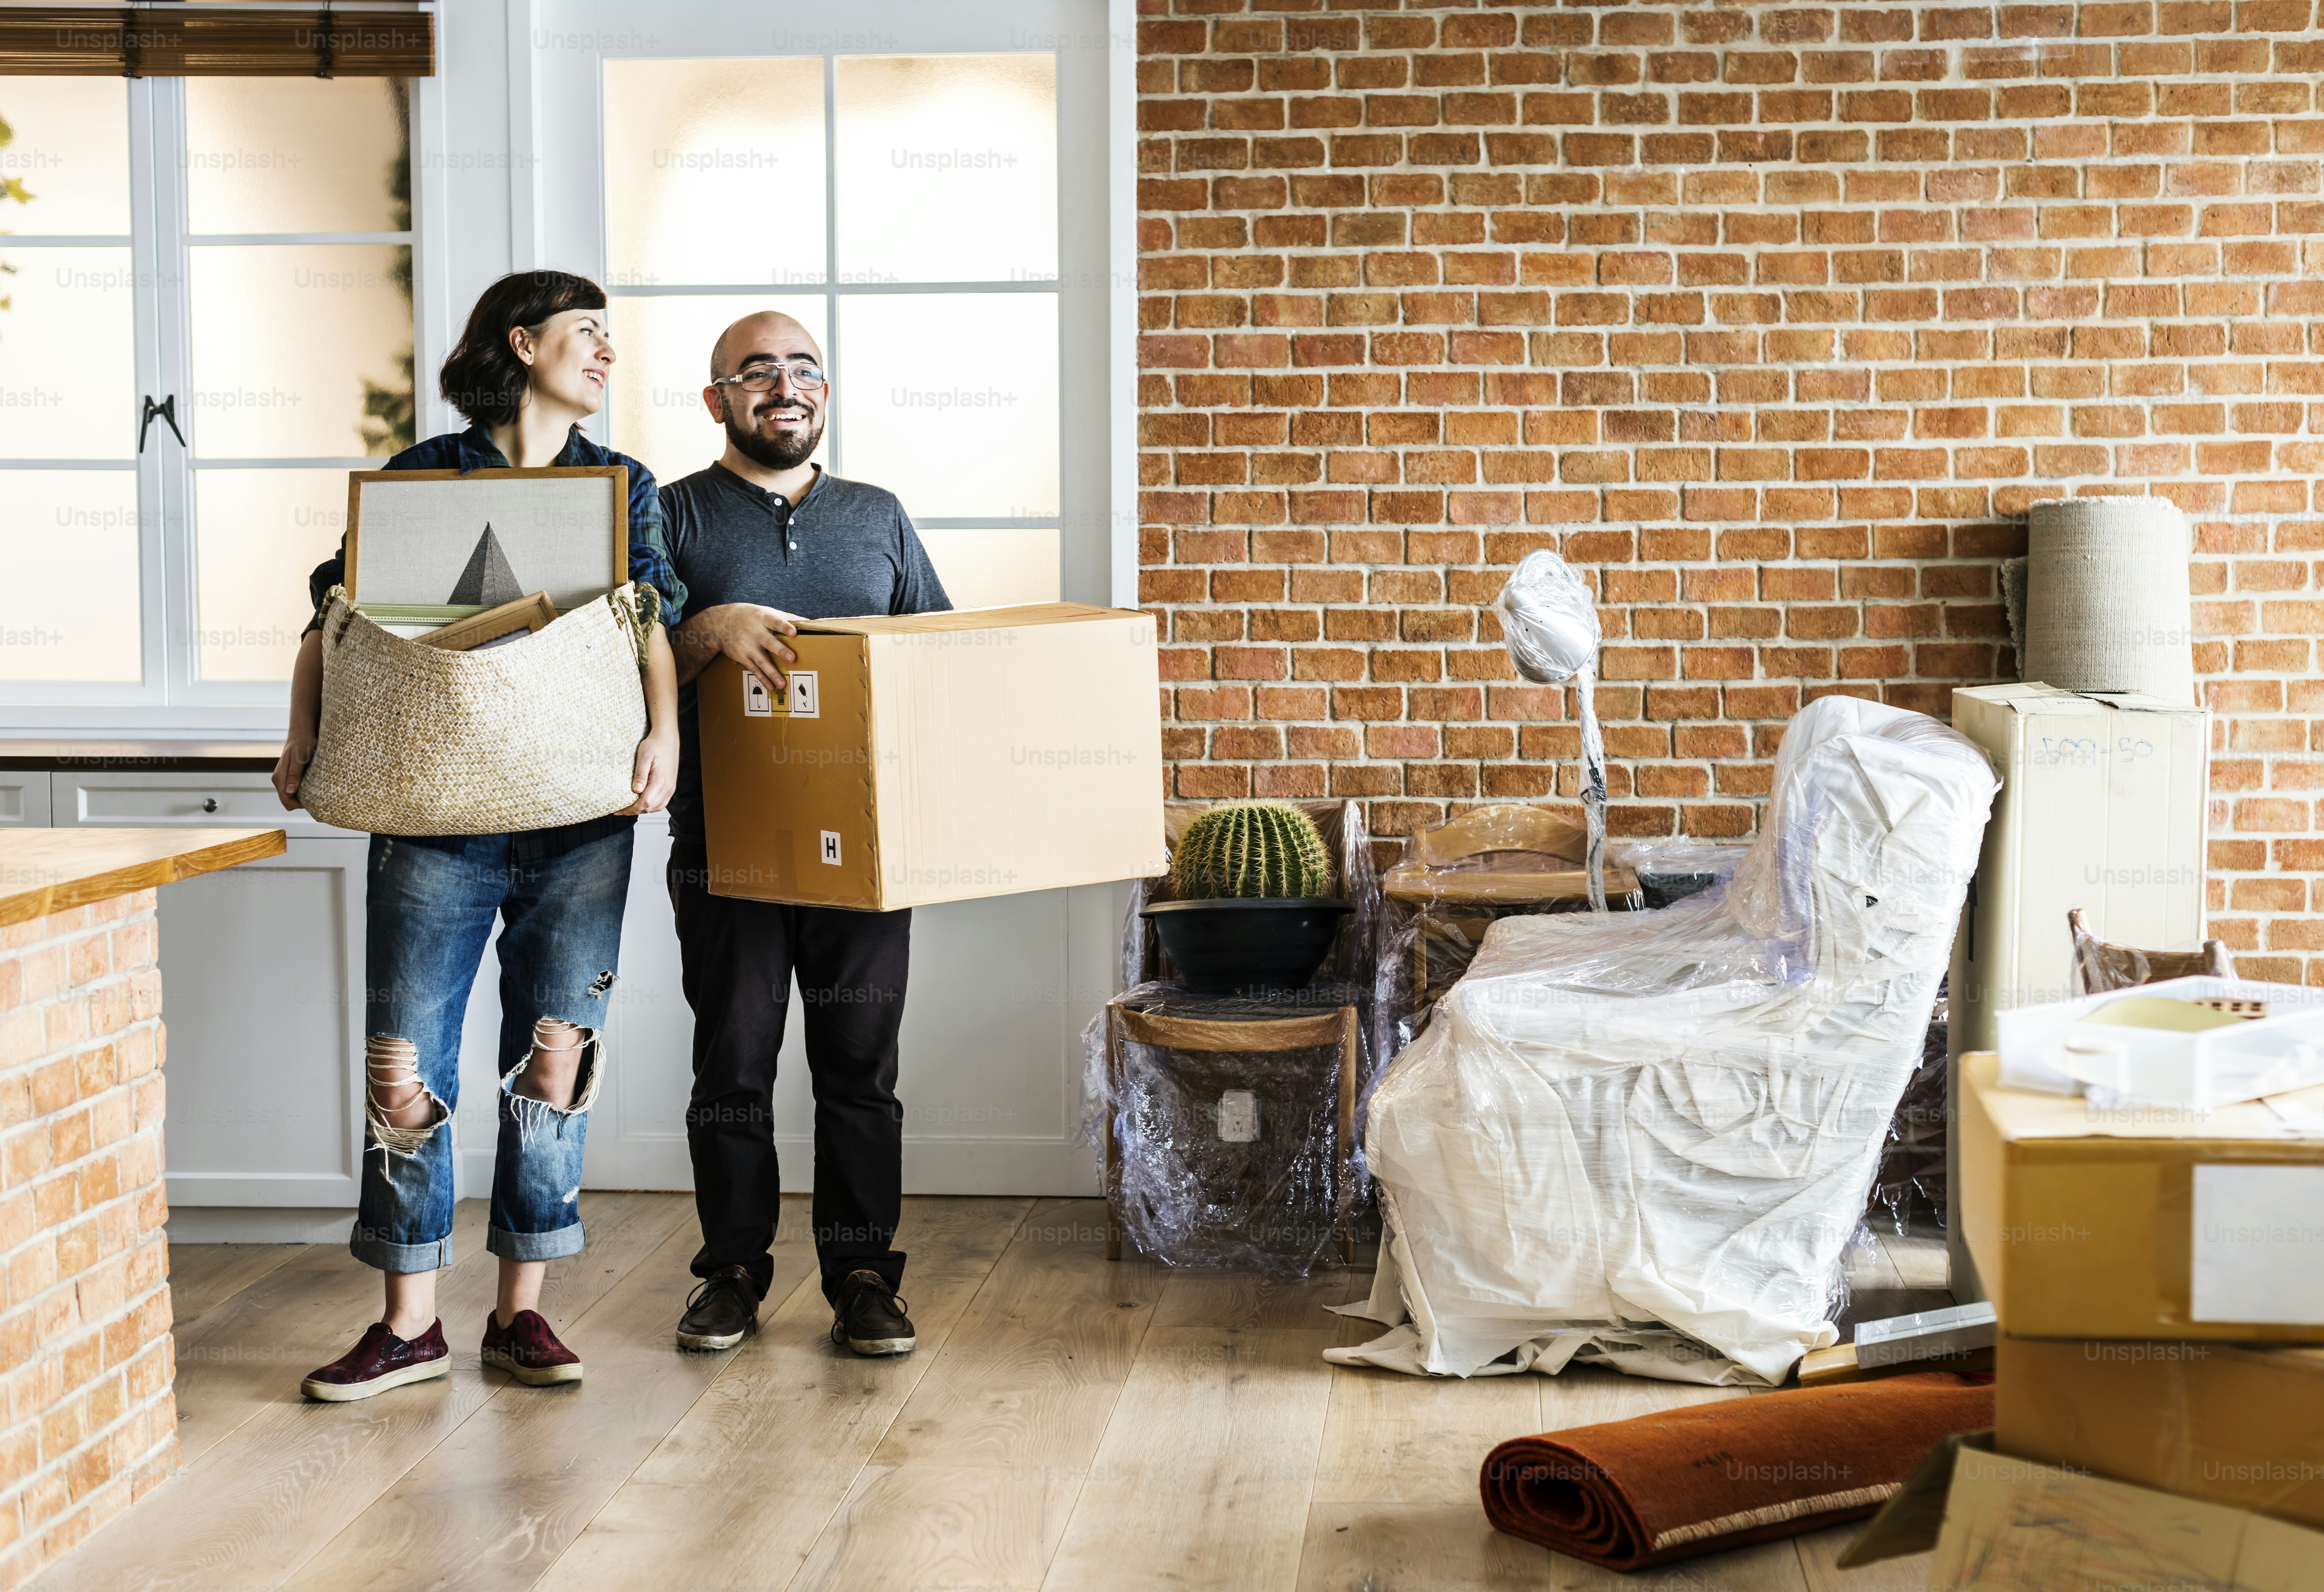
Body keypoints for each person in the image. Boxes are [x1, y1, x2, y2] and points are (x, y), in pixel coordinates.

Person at [271, 270, 686, 1401]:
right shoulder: (420, 476)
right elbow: (333, 618)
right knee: (404, 1057)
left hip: (581, 811)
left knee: (554, 1061)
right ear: (523, 341)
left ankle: (521, 1315)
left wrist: (666, 738)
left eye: (610, 337)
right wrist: (301, 736)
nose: (605, 353)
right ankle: (409, 1323)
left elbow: (648, 618)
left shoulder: (622, 484)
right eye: (584, 333)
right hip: (430, 808)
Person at [660, 310, 949, 1356]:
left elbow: (935, 665)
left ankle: (864, 1274)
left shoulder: (879, 516)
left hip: (864, 850)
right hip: (724, 845)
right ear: (718, 400)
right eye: (758, 372)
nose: (786, 388)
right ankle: (732, 1271)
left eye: (806, 371)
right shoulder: (670, 515)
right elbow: (622, 665)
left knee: (859, 1066)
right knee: (732, 1065)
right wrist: (709, 629)